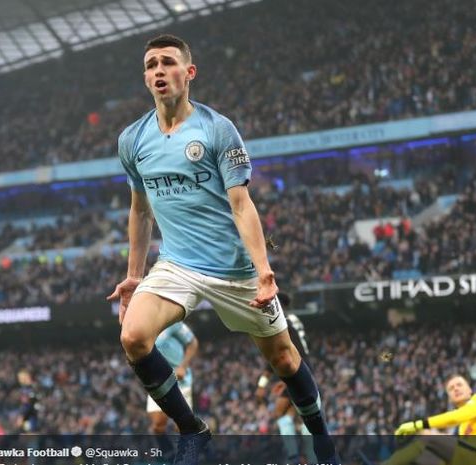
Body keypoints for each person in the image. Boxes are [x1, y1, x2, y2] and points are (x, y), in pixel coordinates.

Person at [107, 34, 338, 465]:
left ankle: (323, 438)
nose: (159, 71)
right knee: (134, 337)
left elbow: (241, 203)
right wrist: (135, 274)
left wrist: (264, 270)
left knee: (285, 360)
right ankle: (192, 429)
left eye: (168, 63)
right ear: (145, 76)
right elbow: (140, 211)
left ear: (188, 73)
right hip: (176, 264)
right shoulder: (132, 140)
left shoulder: (217, 129)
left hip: (234, 270)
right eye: (151, 64)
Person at [360, 374, 476, 465]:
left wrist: (419, 425)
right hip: (470, 458)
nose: (456, 389)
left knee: (428, 439)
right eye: (451, 388)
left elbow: (455, 417)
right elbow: (454, 444)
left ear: (470, 389)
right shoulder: (463, 427)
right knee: (426, 457)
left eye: (459, 385)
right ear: (449, 397)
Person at [255, 293, 316, 464]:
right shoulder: (294, 320)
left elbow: (286, 355)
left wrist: (267, 383)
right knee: (298, 414)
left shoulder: (283, 324)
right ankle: (310, 457)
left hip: (297, 370)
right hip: (303, 369)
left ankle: (294, 457)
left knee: (280, 411)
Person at [148, 322, 199, 460]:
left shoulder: (172, 323)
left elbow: (193, 343)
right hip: (157, 380)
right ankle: (169, 454)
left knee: (181, 427)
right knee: (158, 426)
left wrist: (183, 365)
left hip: (179, 380)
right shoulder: (142, 327)